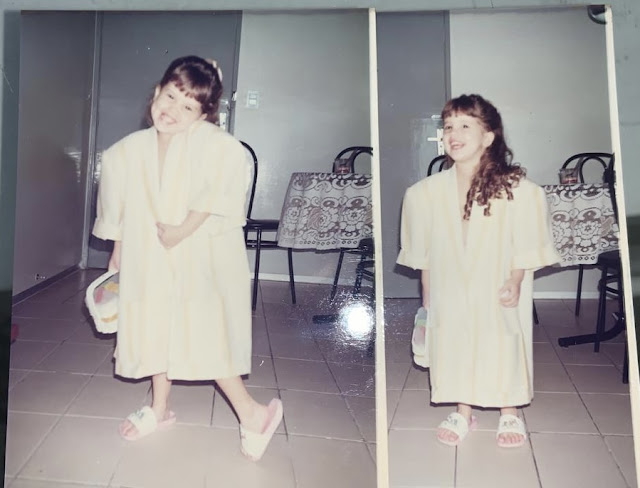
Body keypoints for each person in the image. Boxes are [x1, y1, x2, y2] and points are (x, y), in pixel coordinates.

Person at [92, 55, 283, 461]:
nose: (172, 110)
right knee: (155, 324)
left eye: (188, 106)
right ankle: (159, 408)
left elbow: (221, 186)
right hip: (148, 256)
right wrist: (118, 250)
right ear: (157, 91)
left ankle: (253, 413)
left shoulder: (210, 144)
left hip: (194, 255)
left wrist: (182, 230)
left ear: (203, 116)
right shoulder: (129, 149)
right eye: (171, 96)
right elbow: (120, 205)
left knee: (200, 331)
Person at [397, 94, 559, 448]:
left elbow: (527, 242)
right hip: (449, 286)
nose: (453, 134)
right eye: (449, 126)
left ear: (489, 136)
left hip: (498, 282)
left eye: (465, 126)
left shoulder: (519, 190)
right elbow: (424, 255)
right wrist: (428, 296)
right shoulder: (424, 194)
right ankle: (463, 409)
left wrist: (516, 279)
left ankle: (509, 411)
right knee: (453, 338)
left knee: (501, 339)